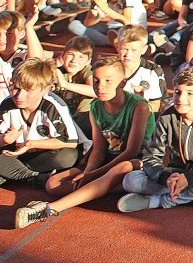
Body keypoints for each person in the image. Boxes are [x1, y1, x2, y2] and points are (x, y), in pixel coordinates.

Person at [14, 56, 154, 227]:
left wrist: (91, 175)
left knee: (121, 168)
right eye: (96, 80)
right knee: (52, 185)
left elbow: (132, 151)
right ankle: (107, 187)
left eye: (108, 81)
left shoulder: (139, 106)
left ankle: (48, 210)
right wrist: (87, 171)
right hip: (109, 161)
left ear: (123, 83)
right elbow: (99, 148)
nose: (100, 86)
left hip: (138, 163)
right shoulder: (95, 106)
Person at [118, 67, 193, 211]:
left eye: (190, 93)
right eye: (177, 92)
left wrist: (191, 176)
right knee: (130, 181)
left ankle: (159, 201)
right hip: (176, 173)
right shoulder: (167, 117)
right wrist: (166, 178)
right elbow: (151, 157)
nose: (181, 99)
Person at [0, 59, 87, 189]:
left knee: (68, 156)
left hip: (46, 156)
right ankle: (33, 177)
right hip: (19, 156)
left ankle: (17, 174)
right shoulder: (7, 105)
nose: (19, 96)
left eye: (28, 90)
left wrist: (30, 144)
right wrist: (4, 141)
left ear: (45, 89)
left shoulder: (53, 105)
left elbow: (71, 142)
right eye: (16, 88)